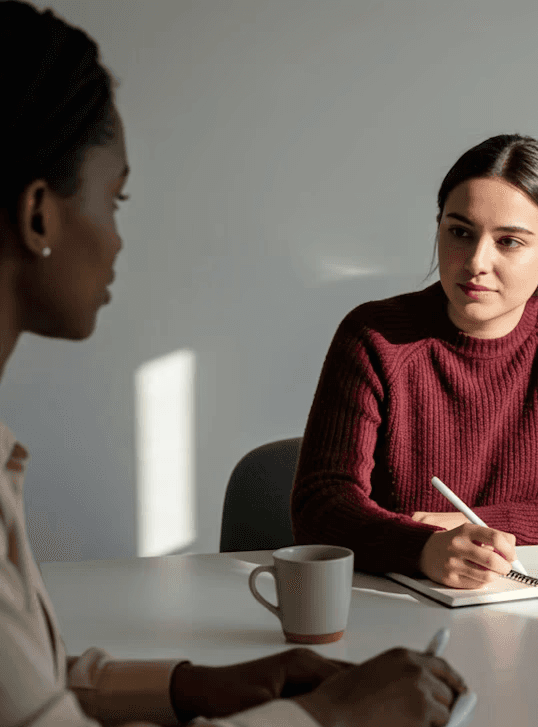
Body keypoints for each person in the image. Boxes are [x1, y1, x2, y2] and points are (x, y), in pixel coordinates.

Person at [0, 2, 466, 726]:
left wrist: (190, 686)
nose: (120, 241)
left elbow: (28, 688)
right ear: (38, 216)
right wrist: (330, 717)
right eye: (115, 200)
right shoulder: (378, 332)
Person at [291, 133, 538, 589]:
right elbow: (320, 506)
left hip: (529, 605)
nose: (476, 262)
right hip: (391, 605)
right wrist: (422, 548)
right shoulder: (375, 337)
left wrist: (476, 530)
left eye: (508, 242)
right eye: (460, 232)